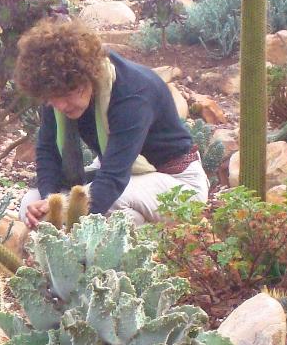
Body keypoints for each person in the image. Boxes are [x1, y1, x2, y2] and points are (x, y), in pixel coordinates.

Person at [14, 17, 209, 228]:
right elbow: (47, 150)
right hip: (122, 175)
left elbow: (113, 179)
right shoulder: (55, 88)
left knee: (108, 203)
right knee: (30, 204)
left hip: (178, 183)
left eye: (68, 94)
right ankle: (133, 228)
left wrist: (61, 212)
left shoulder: (133, 95)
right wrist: (49, 200)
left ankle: (141, 232)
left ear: (89, 76)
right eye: (52, 98)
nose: (61, 105)